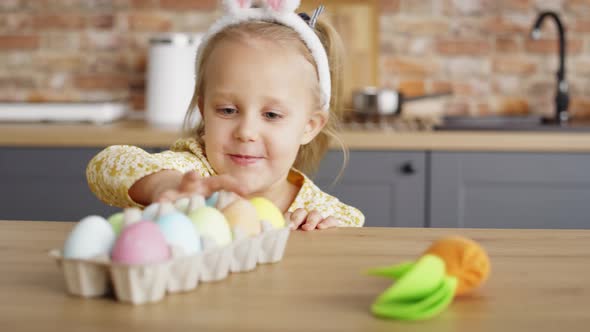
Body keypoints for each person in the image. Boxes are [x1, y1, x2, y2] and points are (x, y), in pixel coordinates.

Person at [86, 0, 364, 230]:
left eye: (271, 115)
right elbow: (106, 166)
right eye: (228, 110)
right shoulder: (192, 174)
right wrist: (163, 185)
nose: (246, 131)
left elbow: (354, 225)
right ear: (203, 111)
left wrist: (328, 230)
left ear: (309, 126)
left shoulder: (315, 207)